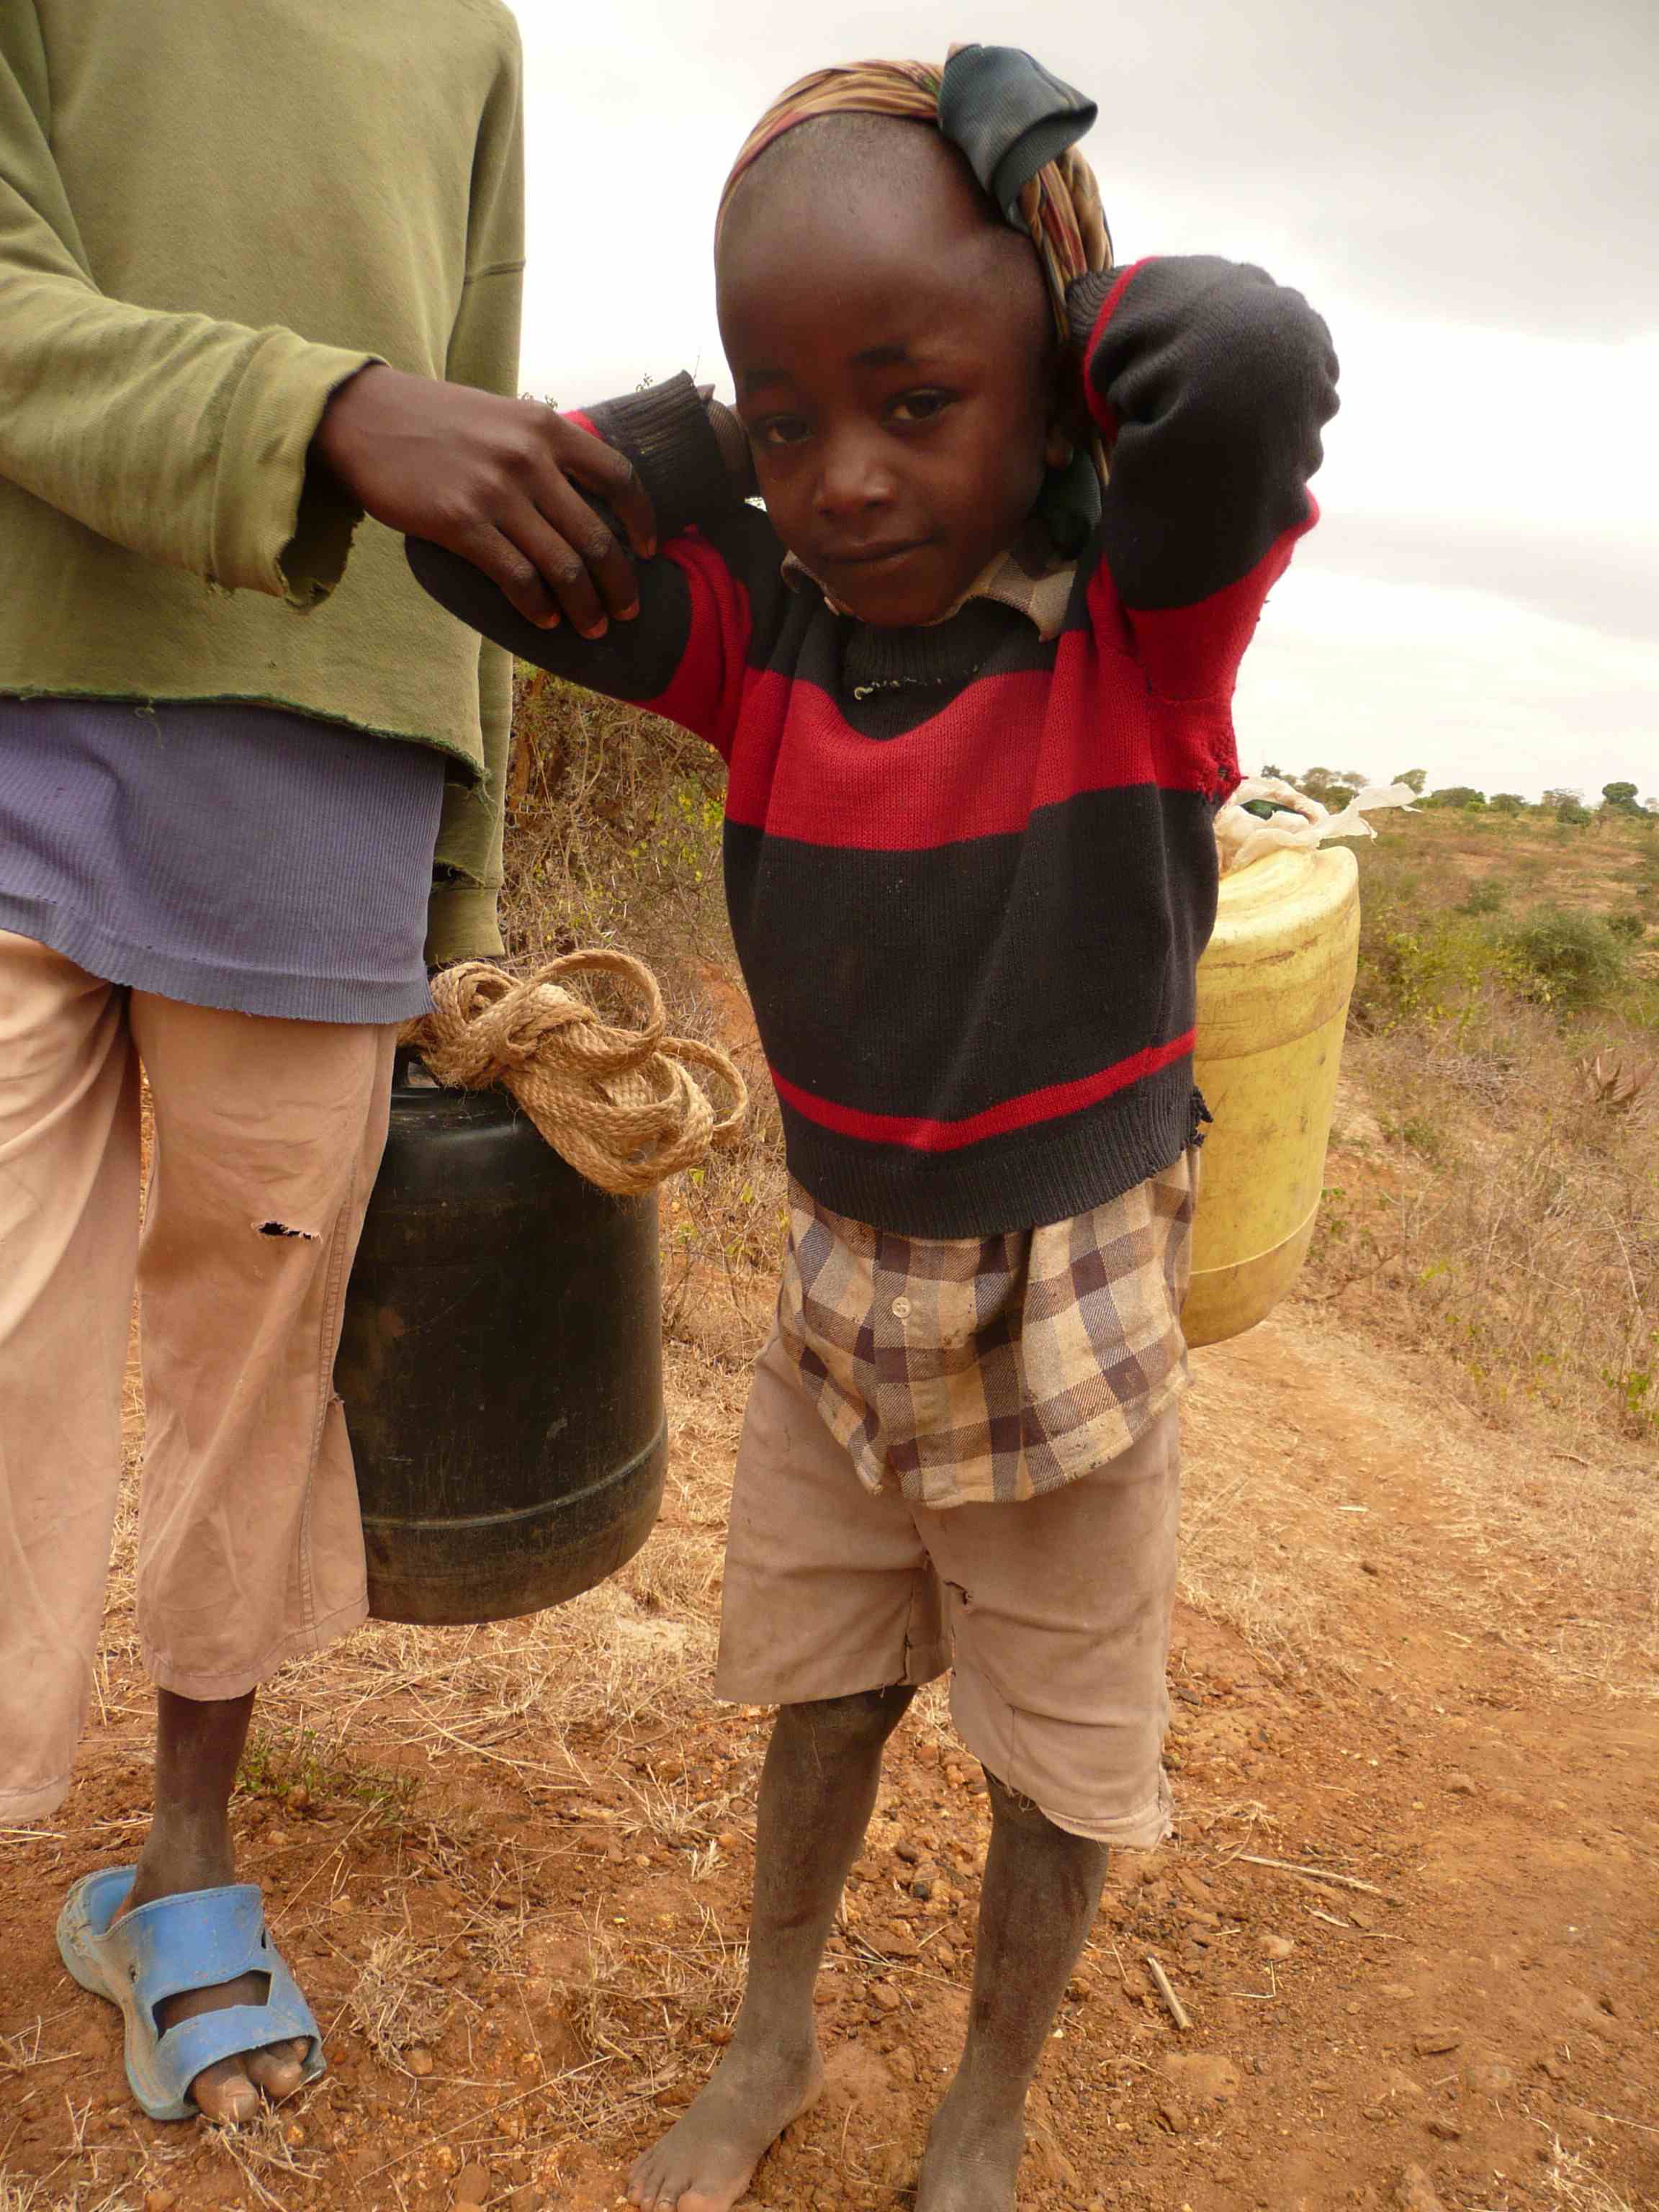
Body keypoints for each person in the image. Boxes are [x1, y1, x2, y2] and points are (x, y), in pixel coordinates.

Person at [410, 44, 1339, 2212]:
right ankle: (775, 2038)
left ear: (1051, 389)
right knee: (823, 1702)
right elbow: (476, 554)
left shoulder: (1141, 639)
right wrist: (695, 432)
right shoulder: (764, 646)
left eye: (917, 401)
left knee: (1052, 1760)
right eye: (788, 415)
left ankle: (989, 2113)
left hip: (1071, 1304)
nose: (842, 479)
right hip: (842, 1300)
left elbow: (1257, 356)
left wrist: (1057, 254)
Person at [0, 0, 660, 2129]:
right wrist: (328, 405)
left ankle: (179, 1872)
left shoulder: (464, 30)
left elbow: (472, 458)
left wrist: (462, 884)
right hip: (12, 688)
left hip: (336, 756)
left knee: (258, 1350)